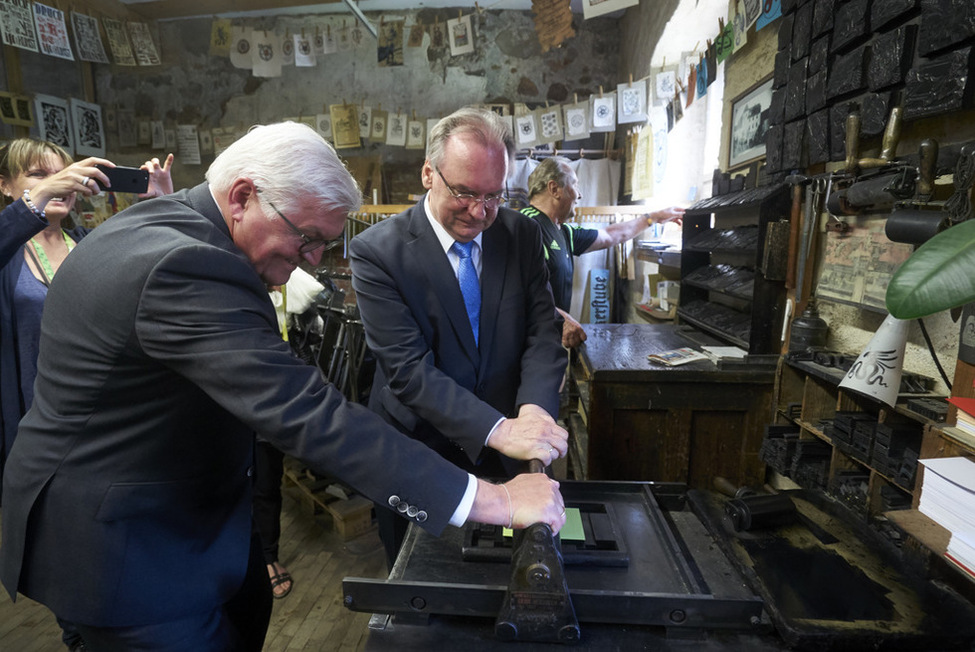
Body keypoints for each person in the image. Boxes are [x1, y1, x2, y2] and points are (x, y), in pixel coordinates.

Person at [0, 121, 565, 652]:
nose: (310, 263)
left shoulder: (171, 225)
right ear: (243, 196)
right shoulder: (183, 265)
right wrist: (498, 498)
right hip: (129, 558)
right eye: (307, 239)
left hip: (182, 525)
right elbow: (311, 416)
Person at [348, 107, 569, 568]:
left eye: (494, 195)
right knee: (420, 580)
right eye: (465, 193)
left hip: (508, 448)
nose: (480, 211)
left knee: (506, 573)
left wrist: (531, 411)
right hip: (417, 448)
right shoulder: (378, 253)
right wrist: (502, 429)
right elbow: (408, 373)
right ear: (429, 173)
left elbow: (542, 333)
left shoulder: (521, 235)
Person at [0, 141, 173, 651]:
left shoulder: (84, 243)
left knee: (114, 568)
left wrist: (157, 207)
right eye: (37, 174)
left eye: (65, 174)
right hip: (37, 439)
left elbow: (141, 277)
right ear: (6, 187)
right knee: (72, 581)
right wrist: (31, 208)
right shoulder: (9, 252)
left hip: (101, 435)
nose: (60, 184)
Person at [519, 156, 685, 348]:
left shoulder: (563, 232)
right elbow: (518, 291)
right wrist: (558, 316)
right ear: (554, 189)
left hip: (549, 342)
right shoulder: (526, 226)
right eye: (575, 185)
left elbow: (609, 235)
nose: (579, 195)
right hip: (527, 345)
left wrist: (653, 217)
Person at [259, 267, 326, 600]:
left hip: (274, 398)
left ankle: (268, 556)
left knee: (266, 483)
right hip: (233, 397)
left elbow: (305, 343)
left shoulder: (291, 281)